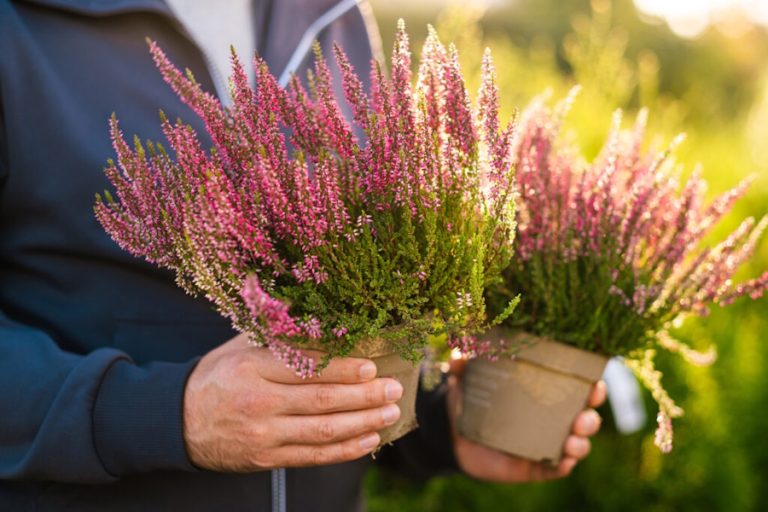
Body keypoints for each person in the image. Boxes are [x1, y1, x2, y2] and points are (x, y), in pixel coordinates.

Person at [0, 0, 605, 510]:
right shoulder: (21, 25)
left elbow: (369, 314)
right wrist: (165, 414)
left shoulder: (332, 13)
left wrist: (441, 428)